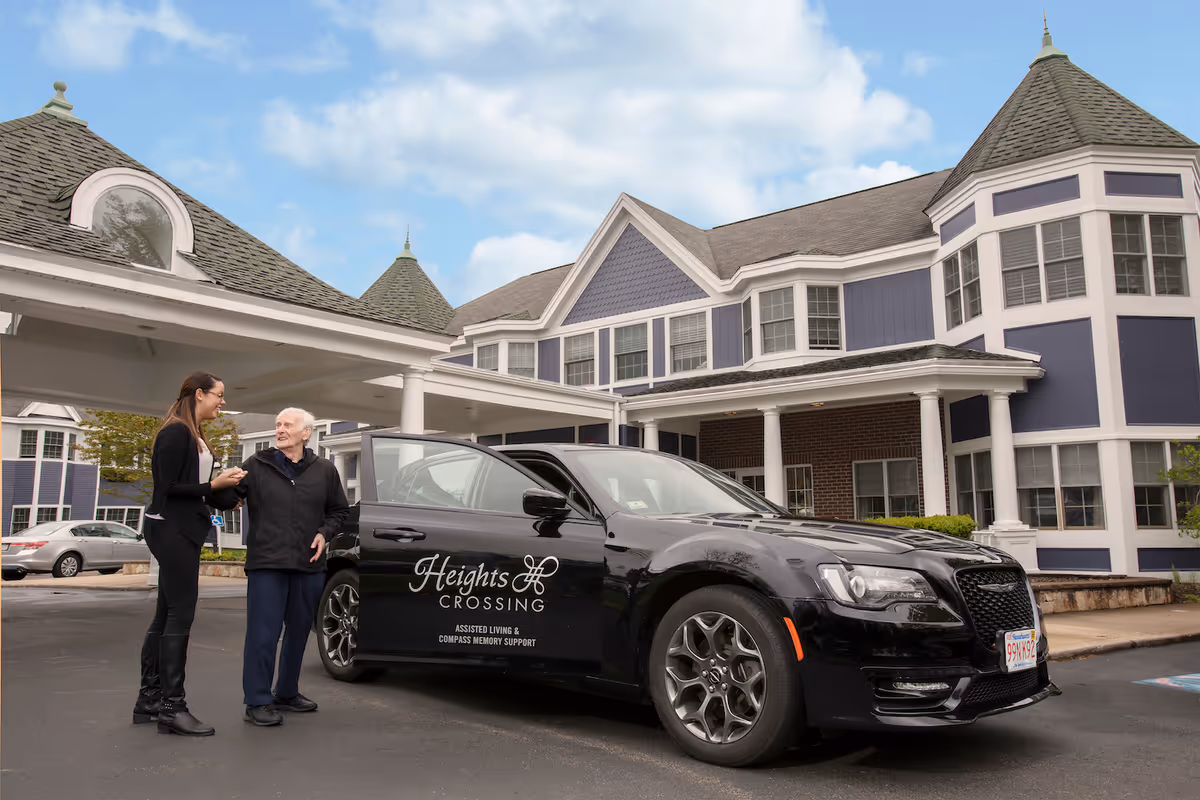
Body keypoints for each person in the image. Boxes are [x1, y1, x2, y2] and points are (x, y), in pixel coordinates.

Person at [218, 407, 349, 727]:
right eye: (278, 424)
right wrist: (219, 486)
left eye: (287, 425)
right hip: (267, 564)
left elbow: (339, 512)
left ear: (306, 433)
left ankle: (287, 692)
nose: (280, 429)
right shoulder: (256, 466)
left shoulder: (325, 470)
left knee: (300, 631)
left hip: (309, 565)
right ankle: (258, 700)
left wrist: (324, 533)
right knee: (263, 634)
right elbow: (225, 499)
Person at [133, 371, 245, 736]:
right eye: (219, 395)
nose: (222, 402)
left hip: (184, 528)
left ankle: (149, 700)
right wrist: (213, 485)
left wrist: (228, 493)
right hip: (170, 530)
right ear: (199, 394)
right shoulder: (174, 433)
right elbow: (168, 489)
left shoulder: (194, 434)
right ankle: (171, 708)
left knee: (166, 613)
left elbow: (197, 491)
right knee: (181, 614)